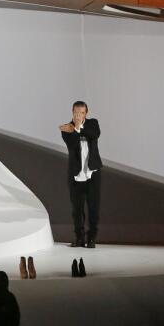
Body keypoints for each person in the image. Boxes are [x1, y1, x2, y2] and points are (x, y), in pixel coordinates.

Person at [60, 101, 102, 248]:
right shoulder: (66, 128)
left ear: (86, 113)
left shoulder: (92, 123)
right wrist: (76, 128)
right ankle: (79, 238)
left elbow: (94, 134)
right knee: (77, 210)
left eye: (82, 113)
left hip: (92, 174)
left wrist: (79, 128)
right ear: (72, 112)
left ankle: (91, 239)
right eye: (76, 113)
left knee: (93, 209)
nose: (78, 115)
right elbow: (71, 144)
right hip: (76, 175)